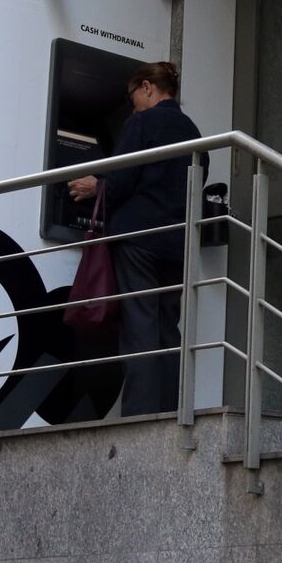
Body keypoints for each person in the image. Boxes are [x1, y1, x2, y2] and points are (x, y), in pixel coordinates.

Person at [68, 61, 201, 416]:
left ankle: (140, 416)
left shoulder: (142, 123)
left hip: (140, 239)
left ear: (147, 88)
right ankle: (170, 411)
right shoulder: (194, 133)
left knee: (140, 327)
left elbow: (123, 179)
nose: (132, 106)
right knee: (167, 330)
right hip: (176, 243)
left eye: (132, 98)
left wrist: (97, 185)